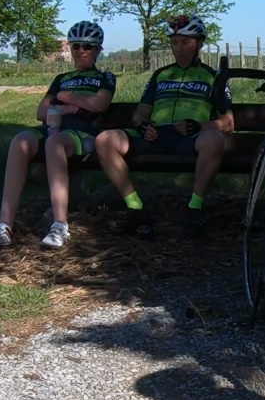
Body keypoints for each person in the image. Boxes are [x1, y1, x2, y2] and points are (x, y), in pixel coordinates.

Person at [91, 14, 232, 237]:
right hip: (156, 135)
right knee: (104, 140)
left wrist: (199, 126)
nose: (179, 48)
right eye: (174, 42)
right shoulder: (161, 75)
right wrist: (142, 126)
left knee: (215, 139)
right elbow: (139, 115)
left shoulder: (213, 77)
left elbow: (228, 122)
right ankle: (136, 207)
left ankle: (194, 208)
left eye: (185, 42)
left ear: (200, 43)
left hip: (190, 139)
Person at [0, 22, 114, 250]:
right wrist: (75, 107)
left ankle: (60, 226)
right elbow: (41, 111)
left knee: (54, 143)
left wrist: (65, 99)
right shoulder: (62, 78)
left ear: (98, 50)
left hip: (82, 133)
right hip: (54, 128)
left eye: (88, 47)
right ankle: (4, 226)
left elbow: (99, 104)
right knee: (20, 141)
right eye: (76, 46)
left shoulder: (105, 77)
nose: (81, 51)